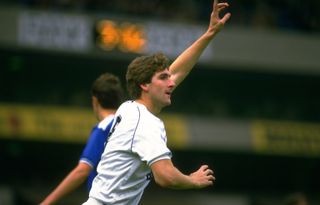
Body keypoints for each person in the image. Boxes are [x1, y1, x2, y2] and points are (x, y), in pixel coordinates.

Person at [82, 0, 231, 204]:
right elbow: (165, 176)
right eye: (163, 78)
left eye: (169, 77)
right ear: (144, 85)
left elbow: (178, 70)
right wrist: (192, 180)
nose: (171, 83)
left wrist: (209, 33)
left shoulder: (129, 108)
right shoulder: (145, 123)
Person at [40, 73, 124, 205]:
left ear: (95, 101)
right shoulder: (126, 126)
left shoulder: (103, 128)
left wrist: (46, 203)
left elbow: (82, 171)